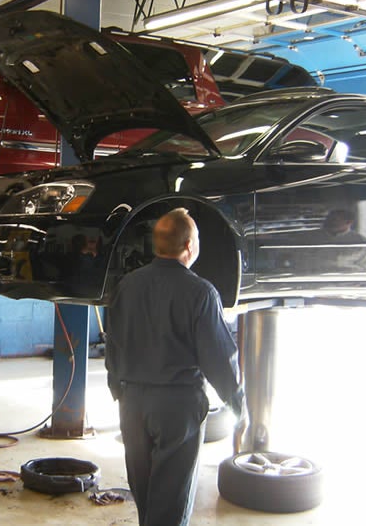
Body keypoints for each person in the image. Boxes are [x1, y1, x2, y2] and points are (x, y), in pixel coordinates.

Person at [105, 207, 245, 526]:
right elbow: (218, 356)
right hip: (177, 406)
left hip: (132, 403)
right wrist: (237, 402)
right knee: (170, 503)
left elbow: (113, 341)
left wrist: (117, 388)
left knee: (145, 496)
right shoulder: (201, 292)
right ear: (189, 246)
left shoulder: (127, 285)